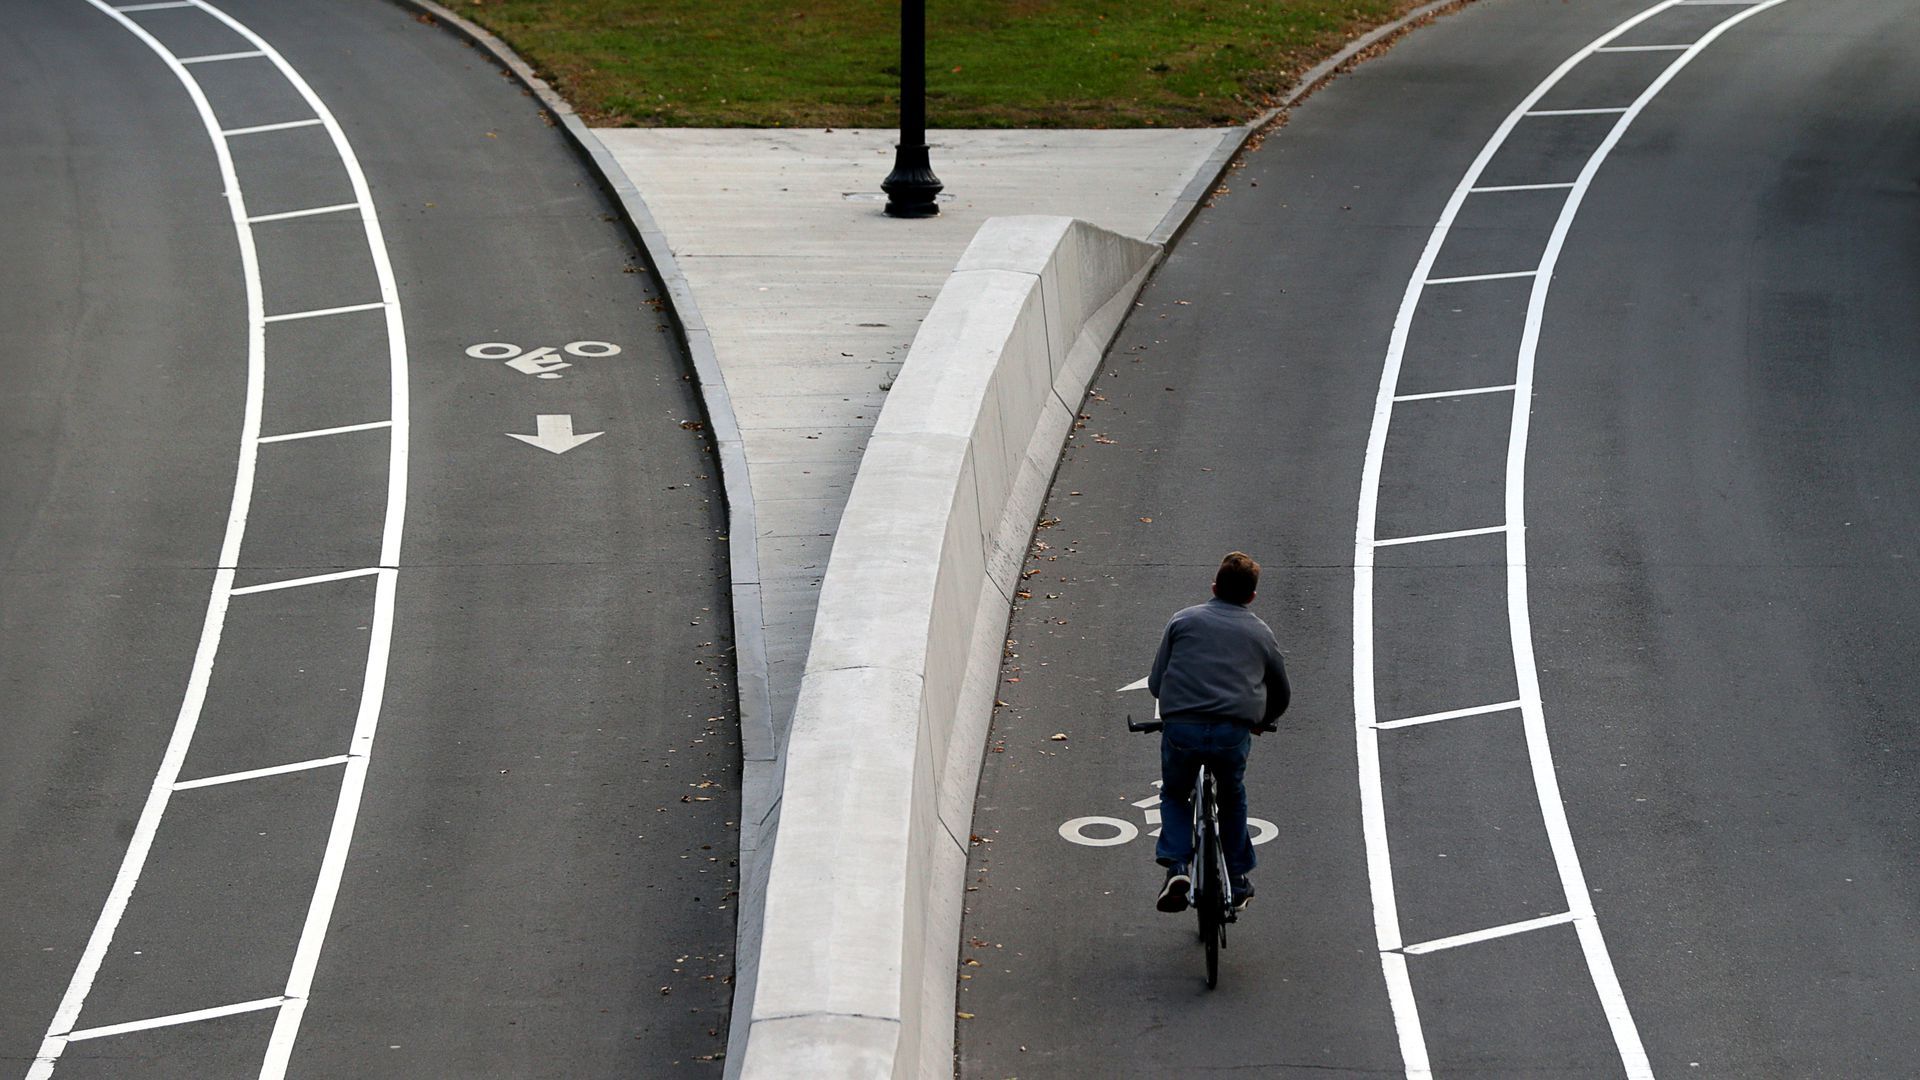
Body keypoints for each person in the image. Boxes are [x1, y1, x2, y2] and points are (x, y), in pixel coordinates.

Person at [1148, 551, 1290, 914]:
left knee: (1176, 794)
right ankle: (1238, 877)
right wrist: (1261, 719)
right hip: (1232, 733)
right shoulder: (1261, 632)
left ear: (1214, 586)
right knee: (1232, 796)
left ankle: (1178, 866)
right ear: (1252, 597)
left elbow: (1154, 682)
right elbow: (1281, 691)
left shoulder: (1182, 621)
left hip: (1183, 728)